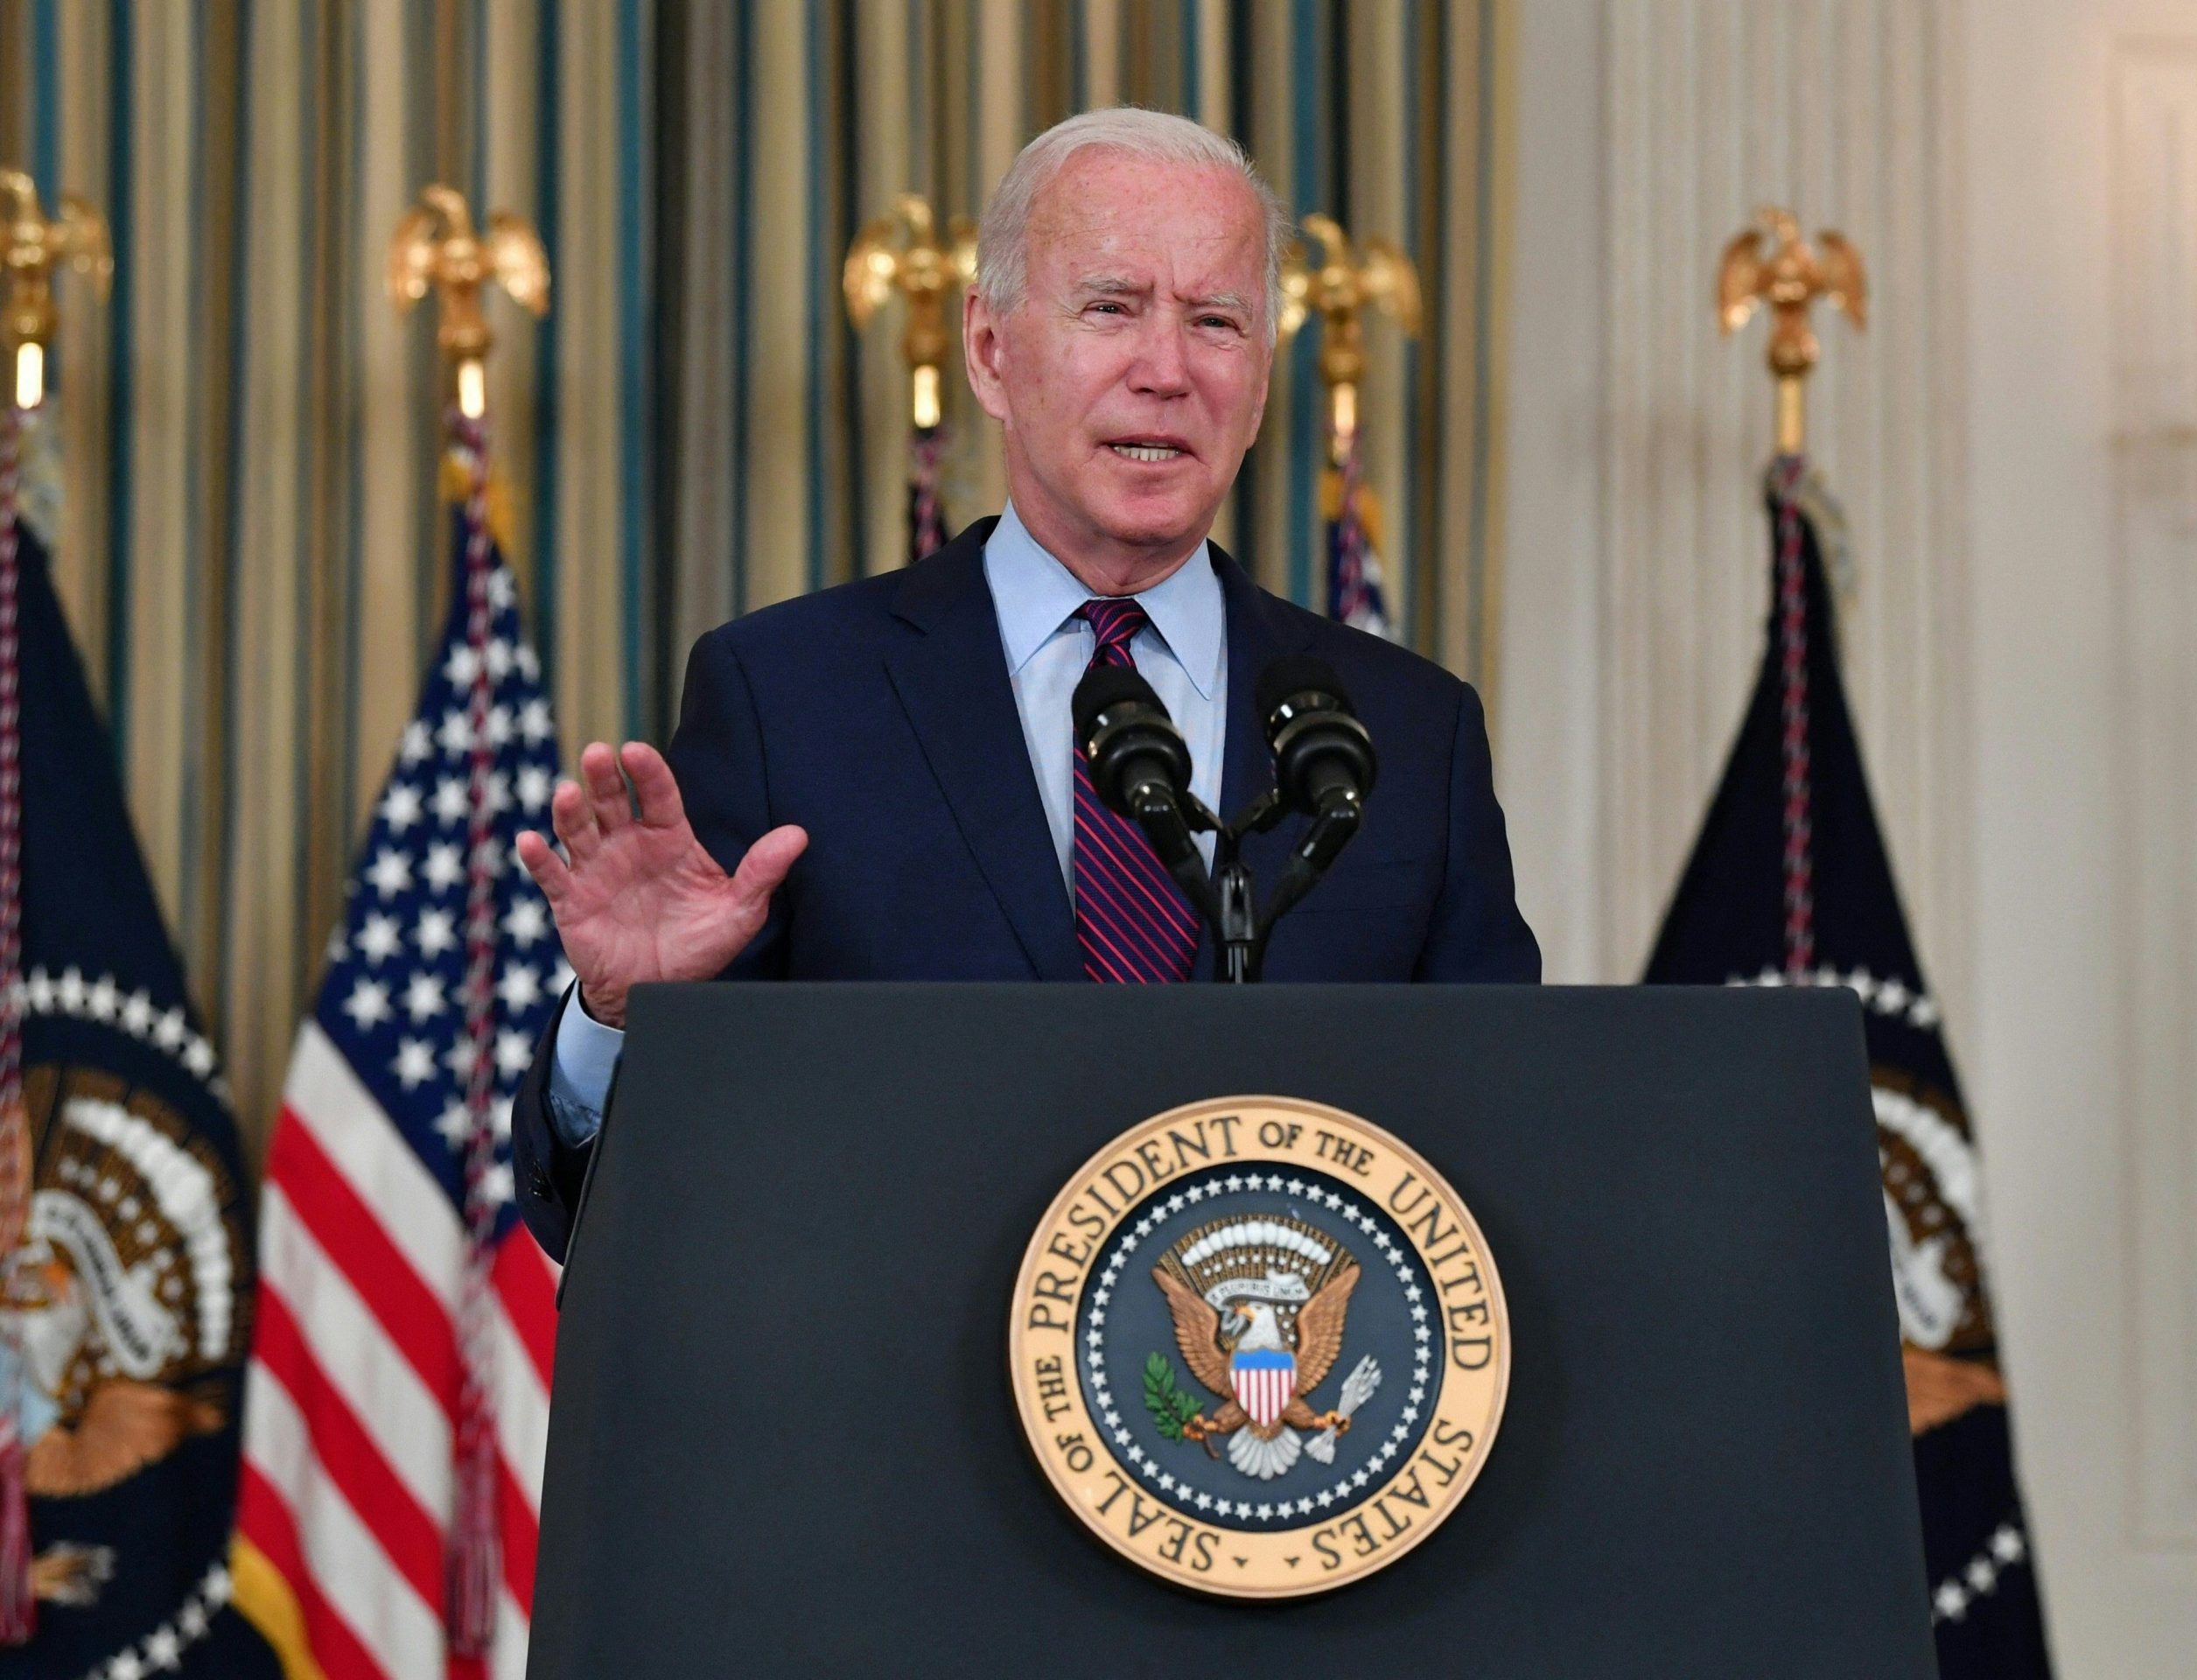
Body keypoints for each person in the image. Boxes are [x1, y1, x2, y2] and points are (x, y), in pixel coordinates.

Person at [510, 108, 1539, 1261]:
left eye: (1216, 321)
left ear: (1257, 386)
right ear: (991, 351)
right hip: (898, 1423)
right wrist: (628, 1020)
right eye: (1111, 308)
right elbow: (600, 1208)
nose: (1166, 371)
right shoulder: (788, 697)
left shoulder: (1401, 734)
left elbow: (1502, 1160)